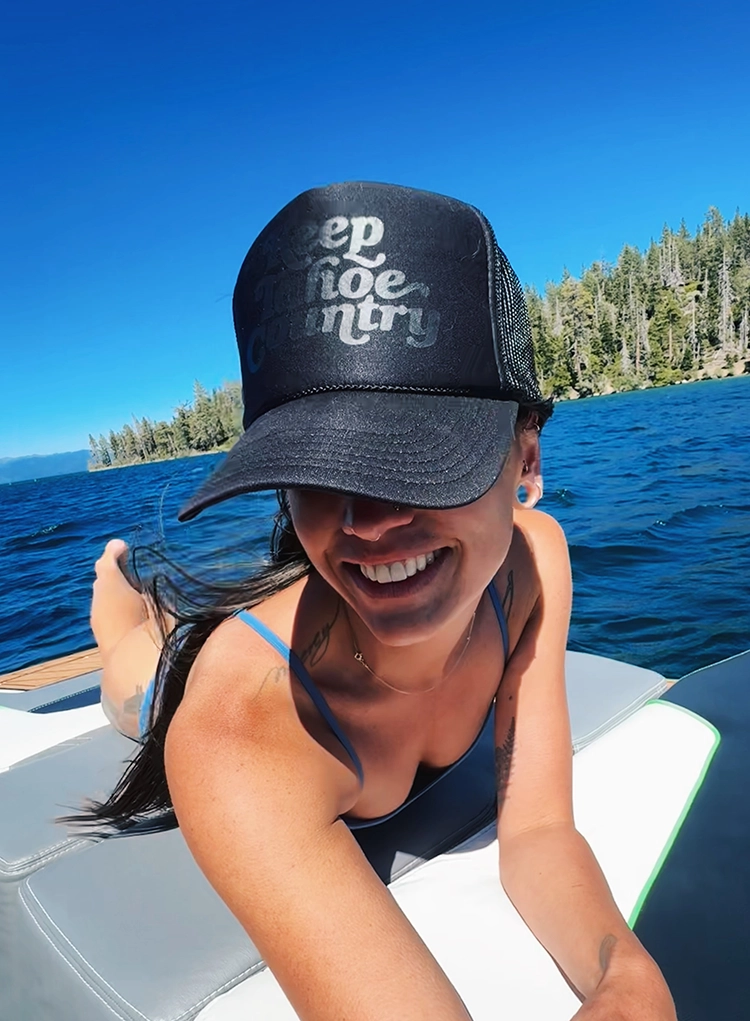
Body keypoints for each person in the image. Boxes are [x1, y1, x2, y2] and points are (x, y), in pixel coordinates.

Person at [83, 183, 676, 1021]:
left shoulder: (535, 565)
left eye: (419, 459)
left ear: (527, 465)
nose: (366, 522)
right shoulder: (236, 735)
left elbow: (538, 832)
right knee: (133, 669)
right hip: (198, 684)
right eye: (320, 471)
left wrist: (628, 974)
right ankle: (118, 592)